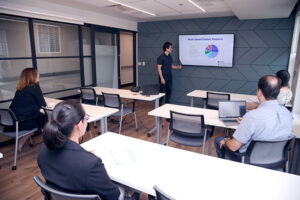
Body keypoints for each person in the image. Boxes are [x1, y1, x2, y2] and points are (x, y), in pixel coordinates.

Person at [38, 100, 121, 200]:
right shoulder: (91, 164)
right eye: (86, 118)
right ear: (79, 124)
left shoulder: (44, 148)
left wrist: (84, 157)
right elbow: (113, 195)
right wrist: (87, 160)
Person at [214, 75, 292, 161]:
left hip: (248, 159)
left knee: (218, 140)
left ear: (259, 92)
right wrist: (246, 122)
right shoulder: (288, 114)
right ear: (278, 93)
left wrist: (226, 140)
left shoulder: (252, 116)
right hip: (275, 159)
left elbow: (233, 147)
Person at [9, 68, 46, 152]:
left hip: (13, 122)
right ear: (33, 76)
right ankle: (23, 139)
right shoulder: (34, 87)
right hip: (24, 122)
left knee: (40, 117)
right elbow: (43, 105)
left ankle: (22, 138)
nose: (39, 75)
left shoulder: (20, 88)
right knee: (45, 120)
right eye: (37, 74)